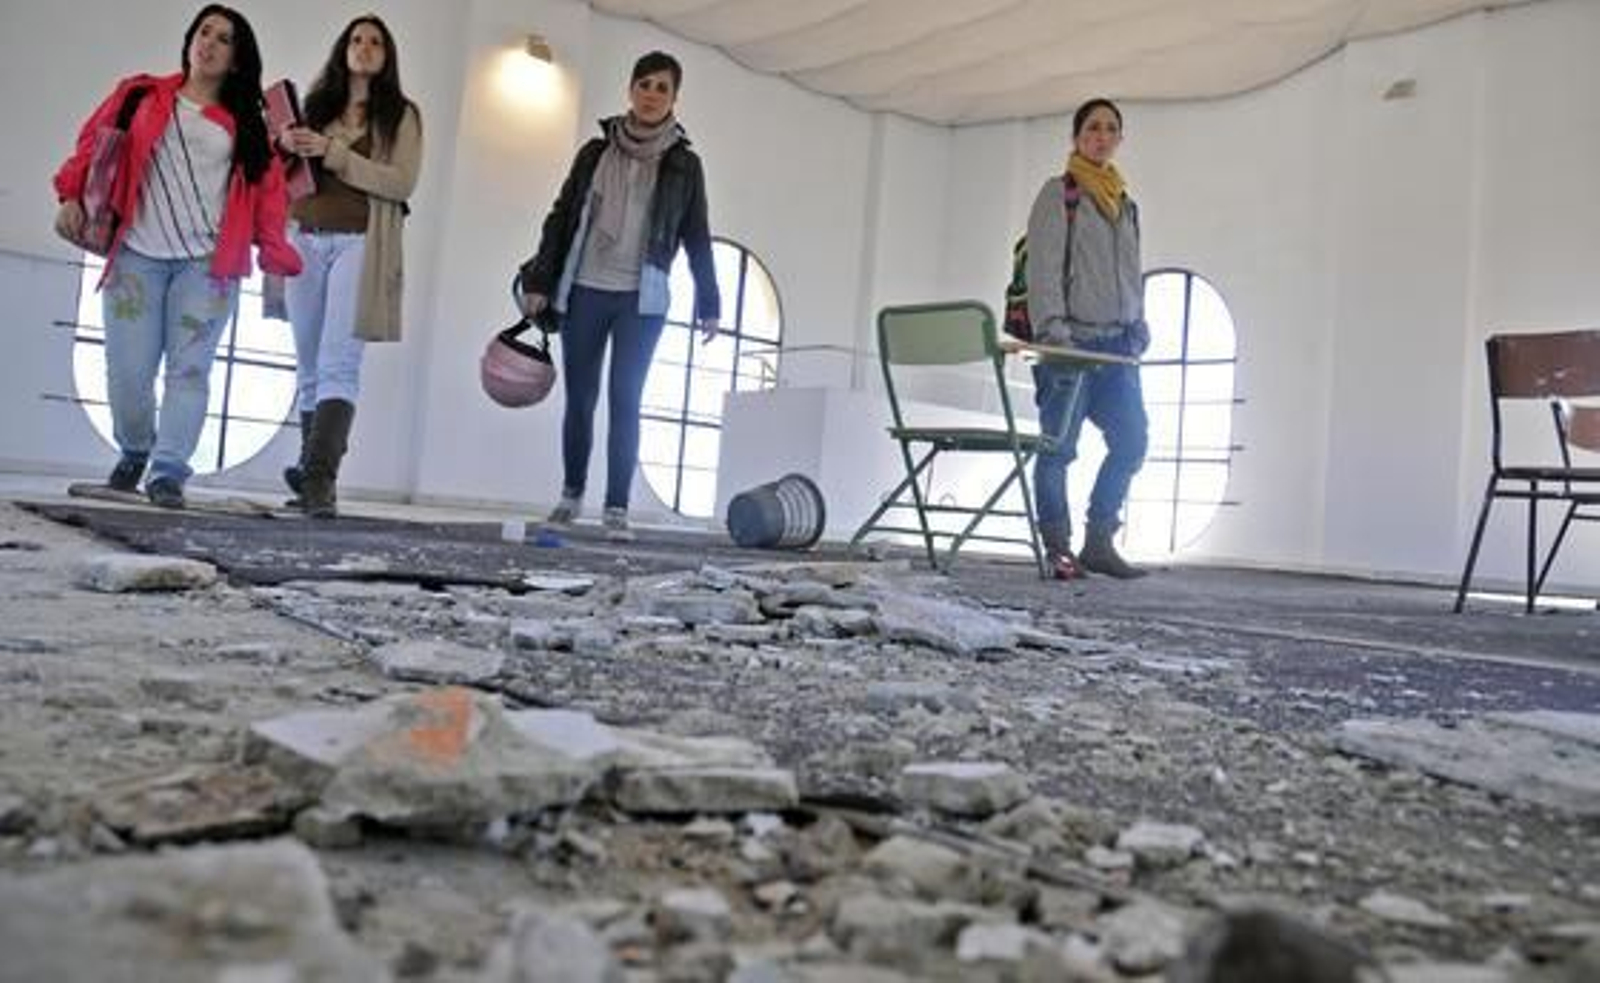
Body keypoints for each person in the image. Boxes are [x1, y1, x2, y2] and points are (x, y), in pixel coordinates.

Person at [52, 4, 301, 509]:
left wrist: (275, 249)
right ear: (190, 40)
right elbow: (92, 146)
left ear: (236, 59)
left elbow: (270, 192)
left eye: (223, 38)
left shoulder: (245, 126)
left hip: (207, 267)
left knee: (189, 371)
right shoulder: (141, 94)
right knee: (127, 370)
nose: (208, 43)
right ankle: (134, 449)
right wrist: (71, 195)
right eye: (203, 32)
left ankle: (167, 472)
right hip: (136, 257)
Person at [519, 50, 719, 543]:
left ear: (674, 98)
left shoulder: (684, 165)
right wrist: (541, 280)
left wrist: (709, 300)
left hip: (642, 299)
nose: (652, 95)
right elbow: (562, 215)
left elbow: (697, 234)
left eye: (662, 88)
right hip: (584, 288)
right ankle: (570, 495)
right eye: (645, 84)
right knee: (580, 399)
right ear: (630, 89)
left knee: (626, 400)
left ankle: (616, 508)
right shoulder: (594, 152)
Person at [276, 14, 423, 518]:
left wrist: (336, 155)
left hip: (360, 241)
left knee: (340, 360)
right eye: (356, 40)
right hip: (304, 238)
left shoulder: (401, 115)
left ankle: (321, 480)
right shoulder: (313, 108)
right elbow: (282, 176)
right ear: (343, 49)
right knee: (308, 365)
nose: (364, 48)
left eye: (375, 42)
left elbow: (401, 183)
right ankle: (307, 469)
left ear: (387, 55)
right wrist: (285, 147)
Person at [1025, 97, 1150, 579]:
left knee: (1132, 441)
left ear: (1119, 138)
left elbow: (1130, 272)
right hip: (1070, 347)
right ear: (1077, 137)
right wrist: (1054, 335)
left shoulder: (1126, 203)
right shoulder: (1060, 194)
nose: (1102, 135)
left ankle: (1100, 540)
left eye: (1111, 128)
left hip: (1119, 349)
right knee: (1058, 448)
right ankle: (1058, 547)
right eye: (1093, 127)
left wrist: (1138, 323)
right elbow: (1043, 269)